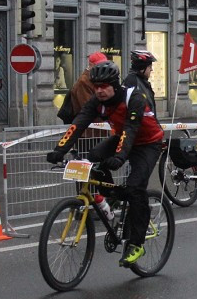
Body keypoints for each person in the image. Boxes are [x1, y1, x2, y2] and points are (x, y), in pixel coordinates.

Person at [46, 58, 165, 266]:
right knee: (92, 158)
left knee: (136, 187)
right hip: (122, 138)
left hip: (147, 143)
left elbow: (131, 130)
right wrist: (59, 150)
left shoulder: (134, 98)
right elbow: (78, 124)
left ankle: (136, 244)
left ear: (115, 85)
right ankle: (114, 197)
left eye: (104, 87)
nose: (99, 91)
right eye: (96, 87)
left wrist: (119, 157)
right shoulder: (96, 102)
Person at [57, 51, 108, 124]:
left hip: (96, 127)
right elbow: (87, 108)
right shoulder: (84, 82)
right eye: (100, 65)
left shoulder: (96, 79)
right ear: (91, 65)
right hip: (88, 129)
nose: (103, 68)